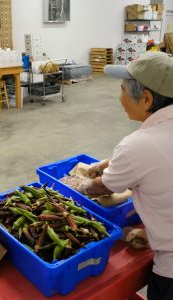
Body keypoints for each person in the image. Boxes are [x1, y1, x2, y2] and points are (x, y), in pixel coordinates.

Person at [73, 51, 173, 300]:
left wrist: (79, 184)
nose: (120, 98)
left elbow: (104, 187)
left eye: (122, 90)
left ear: (147, 98)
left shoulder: (137, 145)